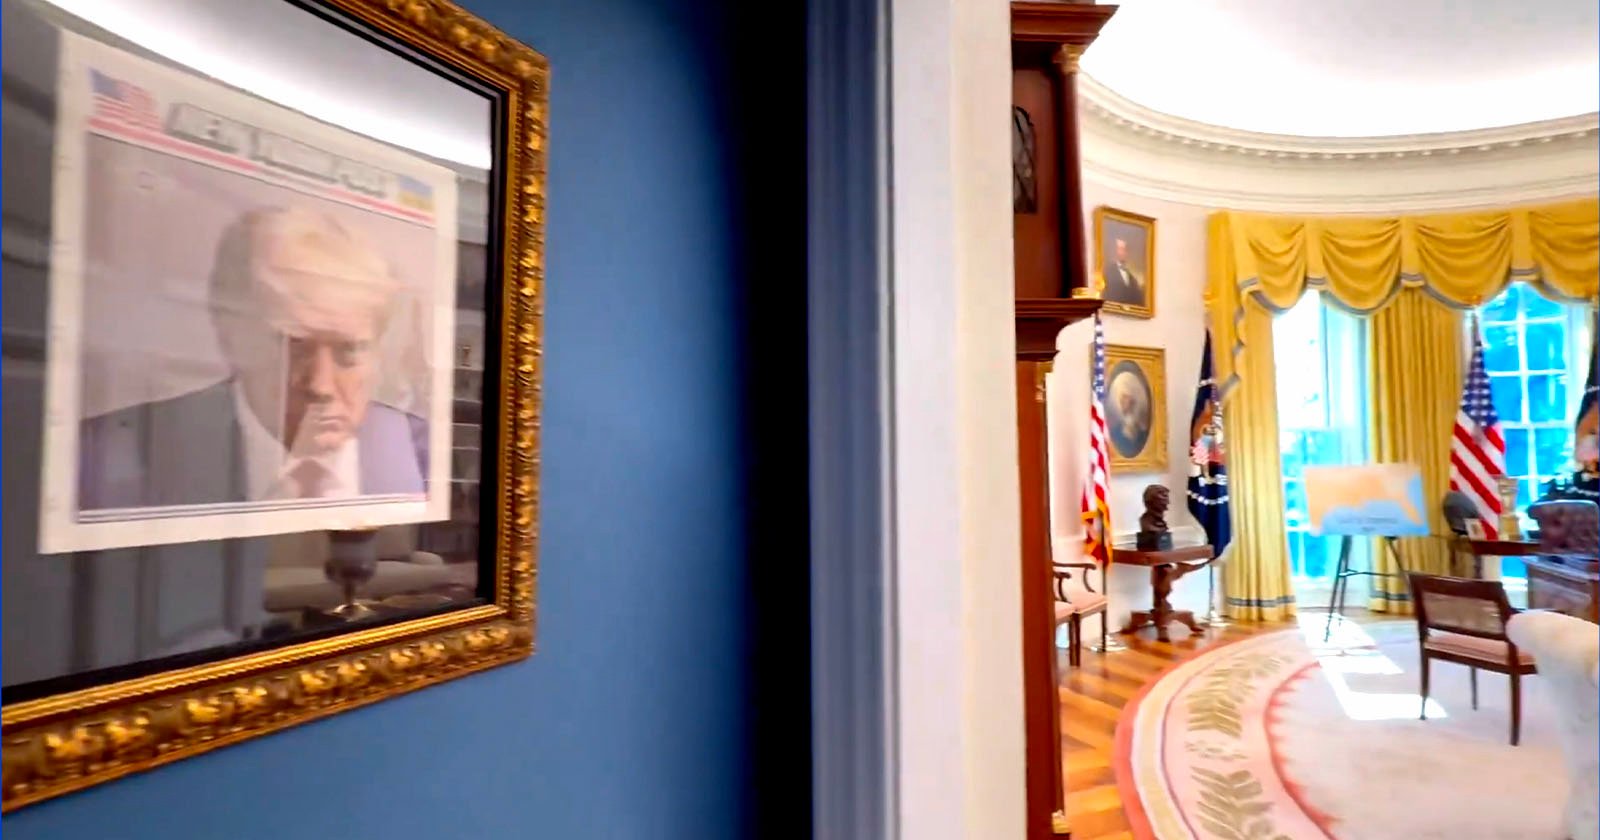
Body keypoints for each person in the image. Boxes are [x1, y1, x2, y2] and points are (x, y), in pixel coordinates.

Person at [77, 206, 428, 510]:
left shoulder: (420, 453)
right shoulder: (112, 453)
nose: (320, 385)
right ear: (231, 336)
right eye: (294, 348)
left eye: (349, 352)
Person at [1101, 235, 1146, 307]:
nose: (1123, 252)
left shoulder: (1132, 278)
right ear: (1115, 251)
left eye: (1125, 249)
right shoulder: (1108, 271)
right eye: (1120, 249)